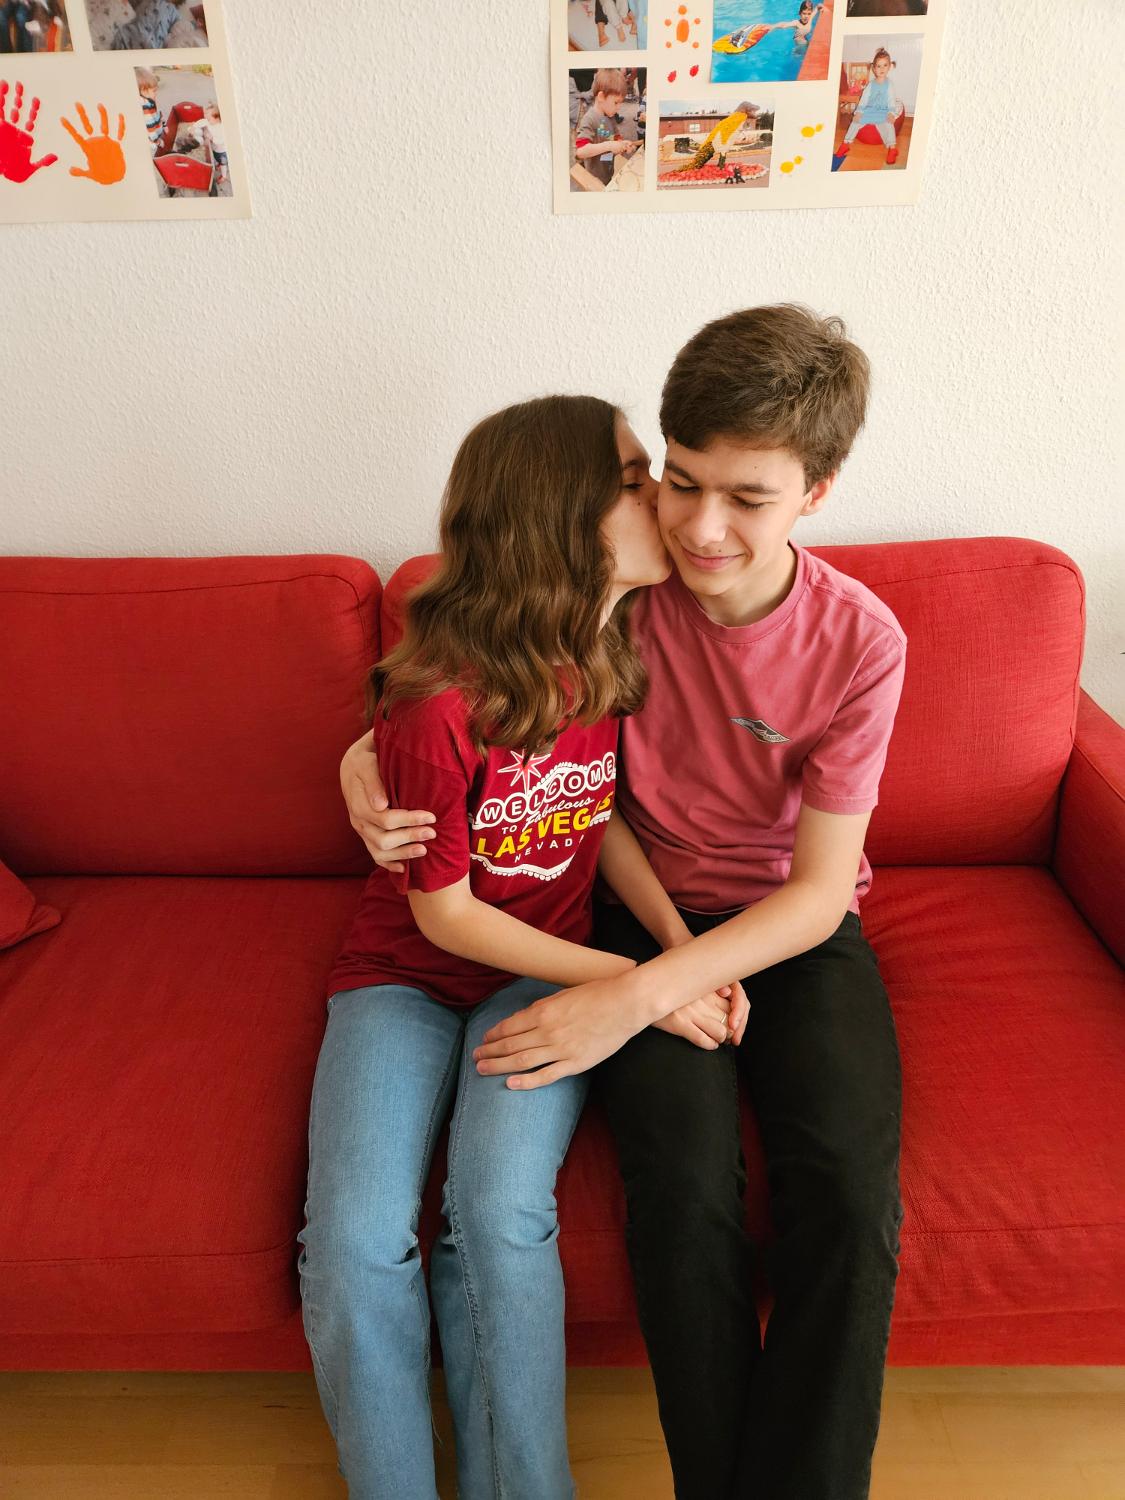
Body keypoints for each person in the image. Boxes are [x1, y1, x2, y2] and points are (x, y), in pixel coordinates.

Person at [341, 305, 907, 1500]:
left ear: (817, 492)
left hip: (789, 930)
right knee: (684, 1192)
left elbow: (818, 896)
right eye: (677, 481)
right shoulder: (623, 593)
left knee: (850, 1200)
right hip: (636, 913)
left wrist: (642, 995)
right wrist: (359, 763)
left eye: (747, 498)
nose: (700, 527)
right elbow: (472, 689)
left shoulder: (861, 640)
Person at [298, 394, 743, 1499]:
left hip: (533, 978)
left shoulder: (613, 646)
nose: (664, 498)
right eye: (635, 481)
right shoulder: (440, 701)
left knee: (497, 1215)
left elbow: (600, 818)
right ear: (558, 516)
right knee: (353, 1239)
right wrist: (642, 984)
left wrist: (681, 946)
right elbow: (443, 916)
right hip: (404, 978)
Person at [572, 67, 638, 189]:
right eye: (616, 102)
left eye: (620, 103)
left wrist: (623, 144)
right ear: (601, 97)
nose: (619, 108)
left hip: (608, 173)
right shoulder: (589, 119)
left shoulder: (609, 116)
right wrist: (608, 146)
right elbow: (580, 151)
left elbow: (614, 137)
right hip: (595, 180)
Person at [836, 47, 903, 166]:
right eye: (879, 66)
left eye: (885, 65)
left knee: (889, 124)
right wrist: (859, 112)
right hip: (869, 110)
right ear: (874, 69)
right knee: (855, 122)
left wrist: (891, 113)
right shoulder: (871, 84)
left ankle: (892, 149)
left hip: (883, 111)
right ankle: (846, 144)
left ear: (889, 67)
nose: (882, 69)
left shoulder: (889, 84)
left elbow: (891, 100)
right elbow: (864, 99)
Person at [730, 1, 822, 51]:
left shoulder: (810, 18)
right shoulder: (796, 23)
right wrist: (773, 26)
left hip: (806, 41)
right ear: (799, 13)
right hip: (799, 44)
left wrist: (820, 7)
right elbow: (783, 24)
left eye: (808, 14)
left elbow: (817, 7)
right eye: (804, 13)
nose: (806, 16)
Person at [135, 67, 164, 154]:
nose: (156, 93)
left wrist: (164, 125)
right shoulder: (145, 107)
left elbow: (158, 115)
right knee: (154, 154)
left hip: (156, 135)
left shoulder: (150, 100)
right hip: (152, 143)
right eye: (154, 91)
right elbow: (150, 128)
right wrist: (157, 141)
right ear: (143, 91)